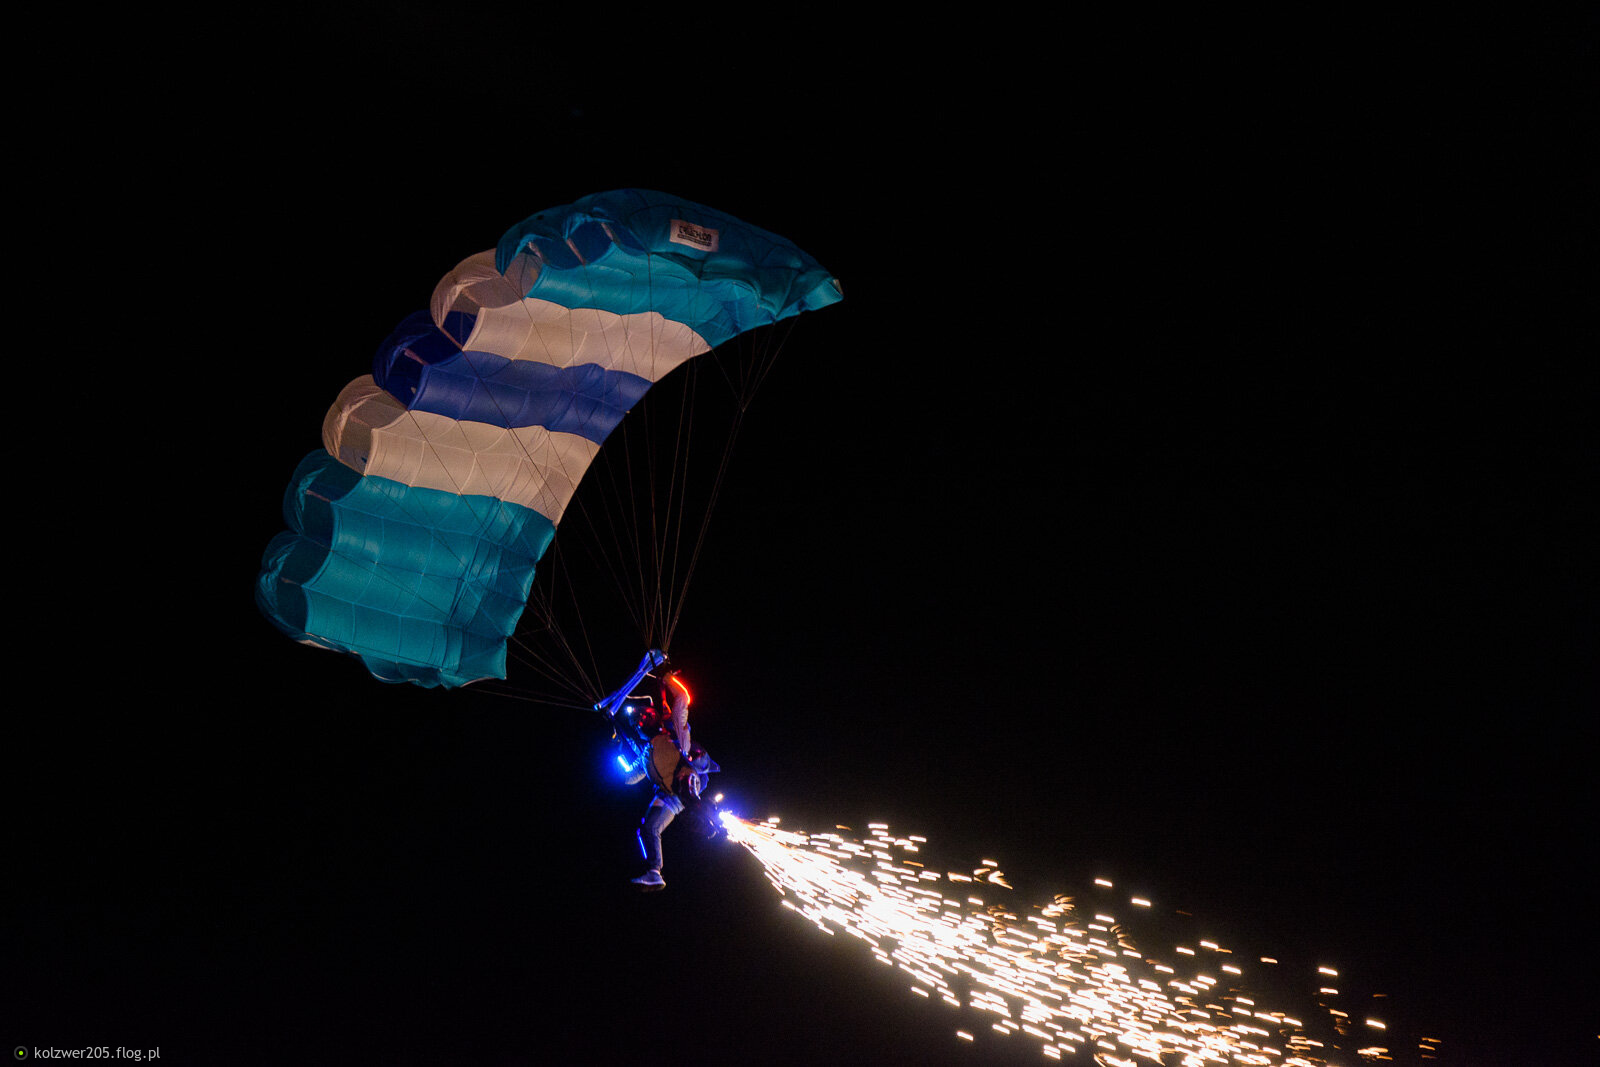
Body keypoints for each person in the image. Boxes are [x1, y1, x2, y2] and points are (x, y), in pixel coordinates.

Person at [631, 670, 719, 890]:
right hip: (670, 796)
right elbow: (630, 778)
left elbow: (682, 700)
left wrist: (669, 680)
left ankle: (704, 813)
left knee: (686, 781)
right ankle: (654, 872)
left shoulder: (672, 731)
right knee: (649, 828)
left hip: (689, 774)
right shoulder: (646, 753)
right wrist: (619, 750)